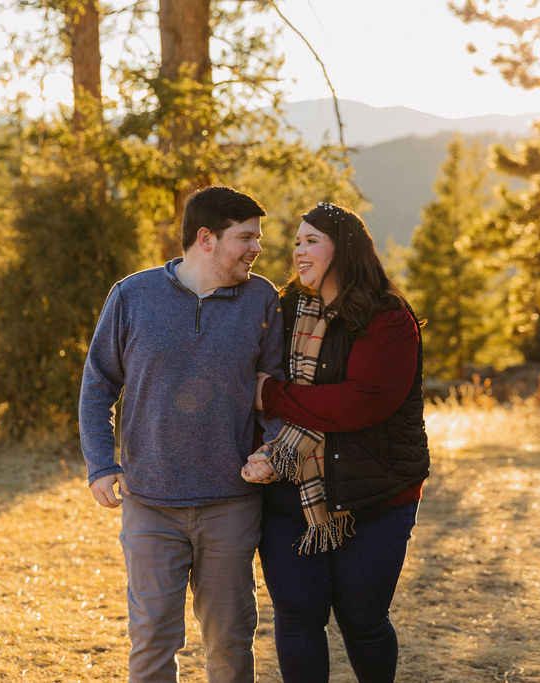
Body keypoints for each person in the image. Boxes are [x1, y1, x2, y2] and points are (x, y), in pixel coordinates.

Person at [79, 185, 284, 683]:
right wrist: (102, 465)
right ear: (206, 238)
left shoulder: (262, 299)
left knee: (231, 643)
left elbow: (278, 391)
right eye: (246, 237)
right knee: (152, 642)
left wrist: (273, 450)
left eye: (258, 237)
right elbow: (97, 385)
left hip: (231, 504)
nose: (257, 248)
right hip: (150, 503)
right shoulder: (133, 295)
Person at [241, 201, 430, 683]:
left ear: (343, 249)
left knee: (361, 619)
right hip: (291, 492)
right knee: (299, 617)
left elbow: (360, 404)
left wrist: (274, 396)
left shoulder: (387, 319)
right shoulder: (284, 309)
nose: (298, 251)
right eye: (297, 241)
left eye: (312, 241)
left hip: (374, 496)